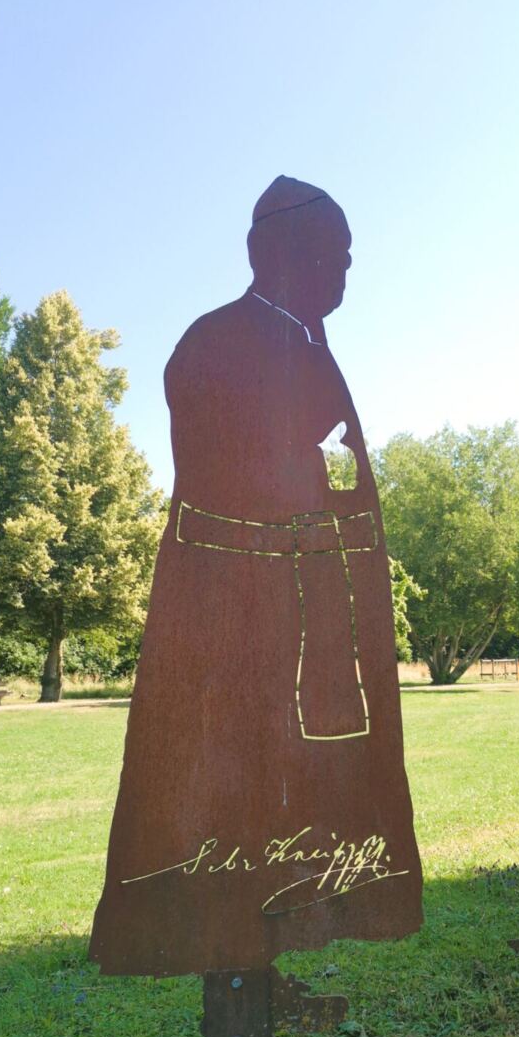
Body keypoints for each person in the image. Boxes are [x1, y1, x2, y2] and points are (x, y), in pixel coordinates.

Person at [89, 177, 423, 977]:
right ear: (283, 255)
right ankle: (235, 998)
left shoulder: (305, 348)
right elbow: (228, 494)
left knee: (295, 794)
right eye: (336, 254)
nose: (347, 271)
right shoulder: (219, 345)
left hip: (309, 612)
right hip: (240, 626)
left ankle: (263, 978)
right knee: (231, 796)